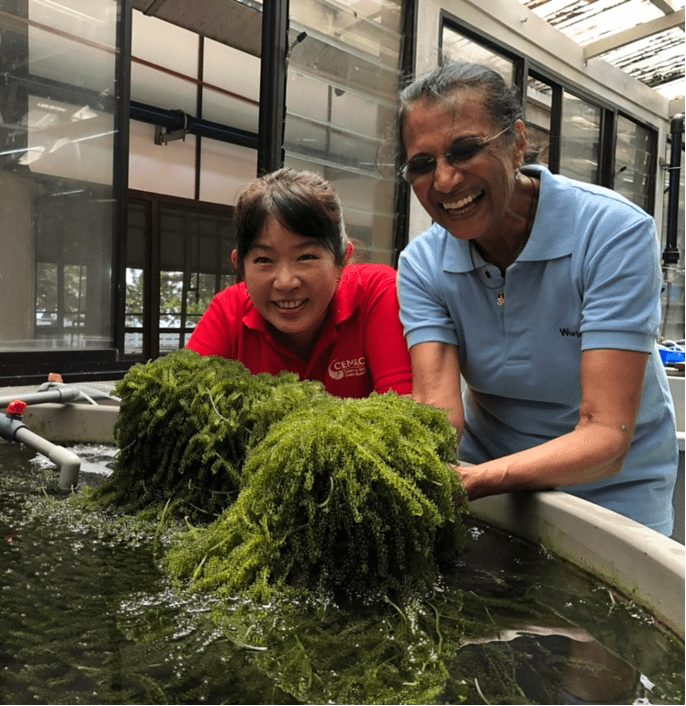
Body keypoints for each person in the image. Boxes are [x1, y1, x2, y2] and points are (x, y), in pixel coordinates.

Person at [395, 62, 677, 535]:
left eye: (465, 150)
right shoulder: (422, 264)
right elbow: (437, 413)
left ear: (517, 141)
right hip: (492, 494)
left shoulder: (611, 233)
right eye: (423, 164)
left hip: (614, 497)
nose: (444, 181)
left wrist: (481, 479)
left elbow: (606, 433)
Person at [186, 167, 413, 399]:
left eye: (306, 257)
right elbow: (179, 400)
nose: (285, 282)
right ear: (240, 267)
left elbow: (407, 414)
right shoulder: (228, 311)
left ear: (342, 260)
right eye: (264, 260)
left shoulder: (376, 291)